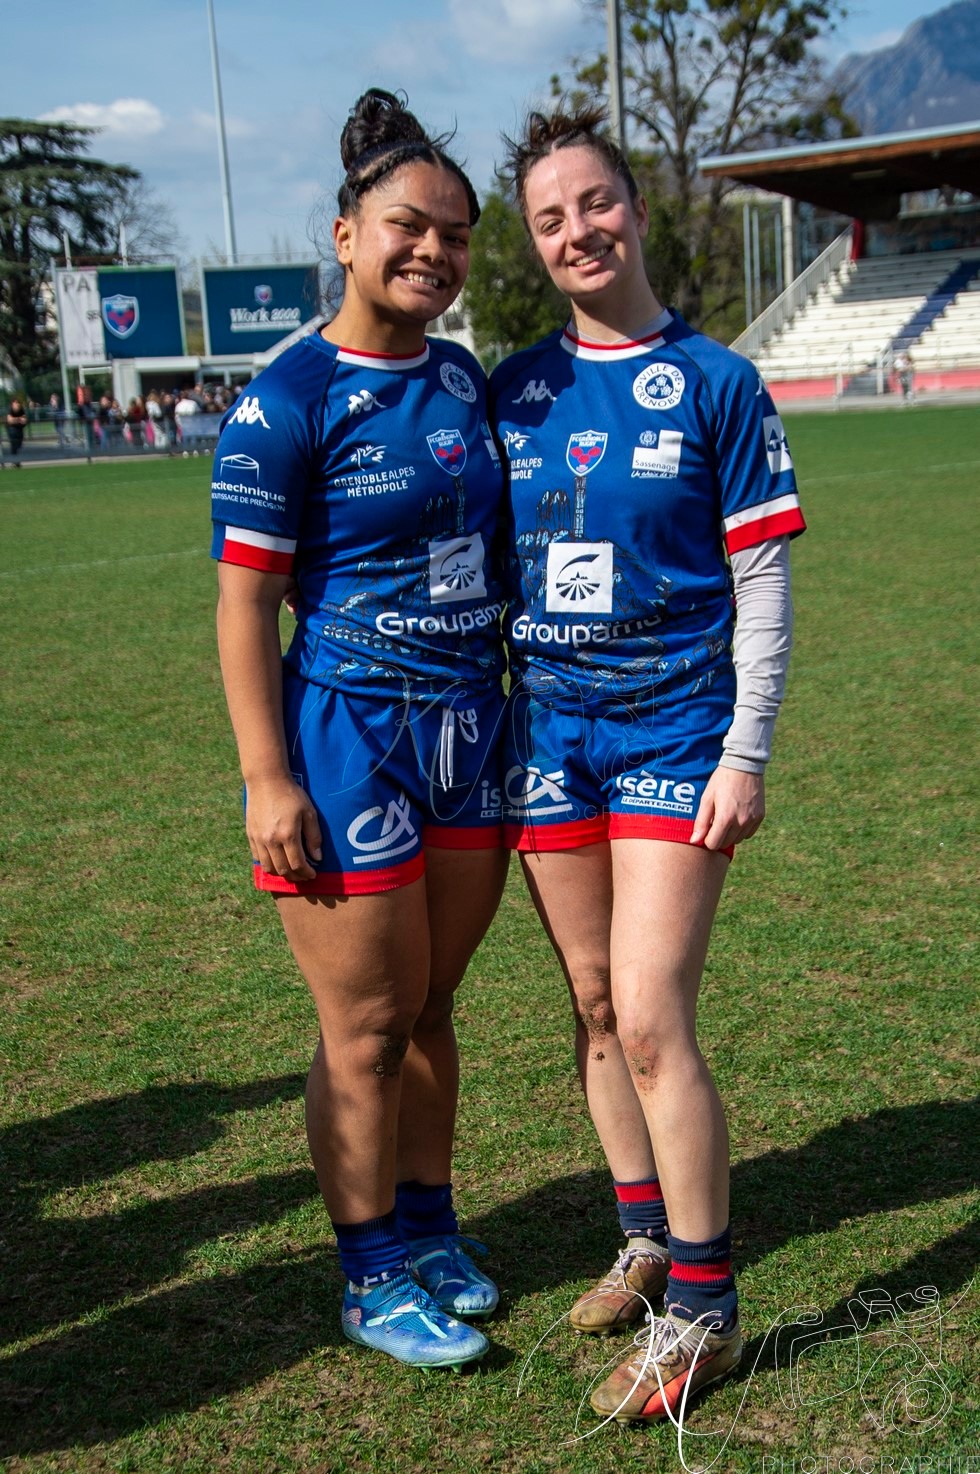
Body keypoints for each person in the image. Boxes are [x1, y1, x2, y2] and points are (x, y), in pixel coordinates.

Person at [490, 105, 806, 1423]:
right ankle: (642, 1237)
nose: (578, 229)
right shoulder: (512, 388)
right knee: (591, 1000)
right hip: (545, 735)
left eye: (596, 201)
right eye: (551, 216)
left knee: (652, 1008)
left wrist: (747, 748)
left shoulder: (720, 381)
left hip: (678, 730)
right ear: (535, 242)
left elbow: (764, 572)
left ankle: (708, 1307)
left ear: (636, 205)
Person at [211, 88, 508, 1371]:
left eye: (451, 233)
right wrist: (265, 776)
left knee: (435, 1003)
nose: (430, 252)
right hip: (343, 736)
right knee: (365, 1026)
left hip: (470, 729)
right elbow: (244, 599)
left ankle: (431, 1231)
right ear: (344, 234)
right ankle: (368, 1270)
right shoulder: (285, 397)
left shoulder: (459, 375)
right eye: (406, 226)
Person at [5, 398, 27, 467]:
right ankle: (15, 461)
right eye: (15, 403)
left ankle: (15, 460)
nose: (17, 404)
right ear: (12, 404)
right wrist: (18, 419)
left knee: (19, 444)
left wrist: (16, 420)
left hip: (19, 429)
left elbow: (24, 420)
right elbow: (10, 420)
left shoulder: (21, 410)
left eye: (18, 403)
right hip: (12, 429)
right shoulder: (10, 410)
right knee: (14, 444)